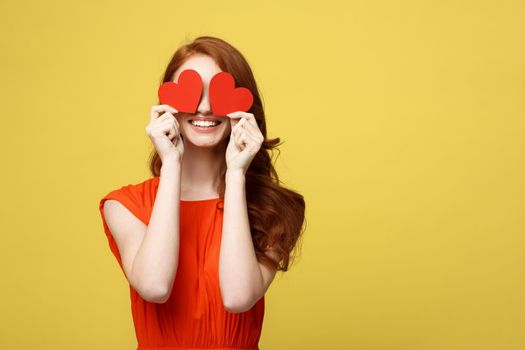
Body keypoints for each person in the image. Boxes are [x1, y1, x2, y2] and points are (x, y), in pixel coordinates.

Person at [98, 35, 306, 350]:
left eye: (220, 93)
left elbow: (238, 297)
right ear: (166, 106)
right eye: (192, 92)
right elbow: (154, 286)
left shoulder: (274, 209)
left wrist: (236, 174)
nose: (206, 107)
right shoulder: (125, 206)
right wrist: (171, 162)